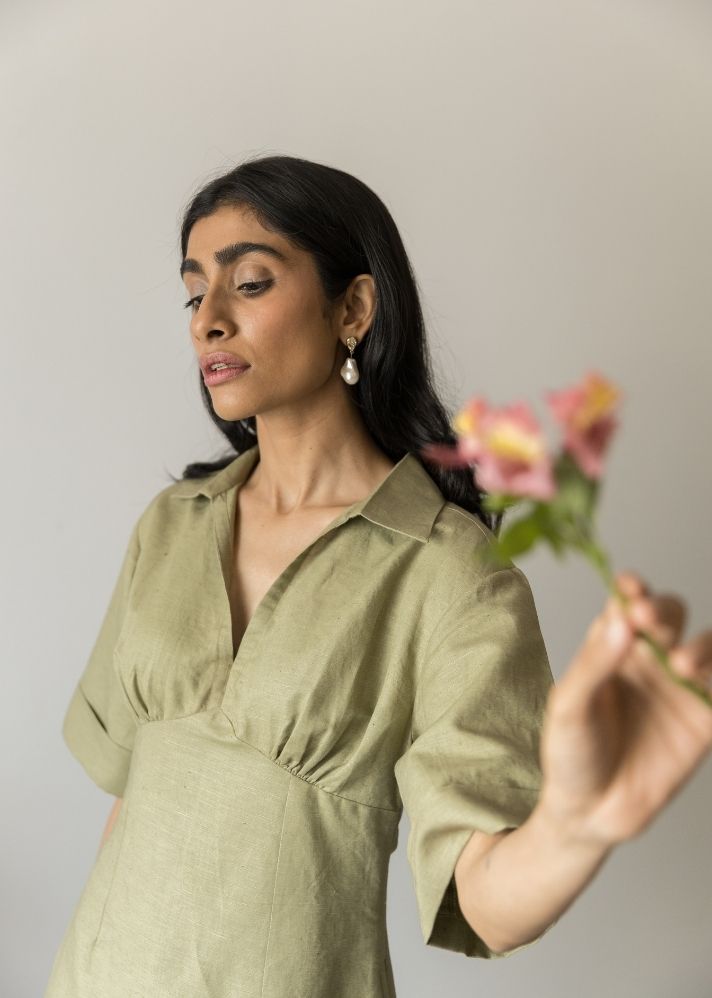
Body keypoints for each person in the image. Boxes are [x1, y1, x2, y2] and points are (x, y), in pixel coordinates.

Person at [45, 155, 712, 998]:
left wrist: (578, 825)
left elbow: (484, 897)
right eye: (192, 293)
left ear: (353, 308)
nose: (207, 321)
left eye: (249, 283)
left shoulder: (449, 571)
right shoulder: (172, 525)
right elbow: (133, 808)